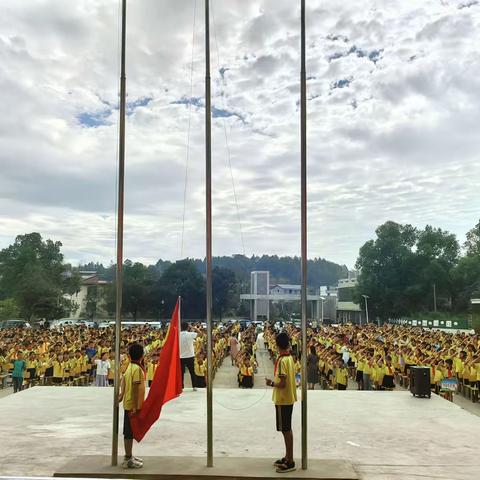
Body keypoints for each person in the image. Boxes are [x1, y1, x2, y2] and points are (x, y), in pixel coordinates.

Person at [265, 332, 297, 474]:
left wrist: (271, 383)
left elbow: (282, 383)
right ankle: (287, 456)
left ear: (278, 345)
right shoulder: (289, 358)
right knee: (286, 429)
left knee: (286, 429)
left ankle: (290, 461)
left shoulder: (283, 361)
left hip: (283, 398)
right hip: (288, 397)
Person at [119, 343, 145, 469]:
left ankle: (129, 455)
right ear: (142, 356)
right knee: (129, 433)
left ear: (129, 356)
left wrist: (121, 394)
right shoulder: (137, 369)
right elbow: (135, 388)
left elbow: (123, 379)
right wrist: (135, 407)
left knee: (129, 431)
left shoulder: (130, 366)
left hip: (128, 402)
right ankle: (128, 458)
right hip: (132, 405)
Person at [180, 322, 199, 391]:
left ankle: (181, 387)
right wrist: (194, 328)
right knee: (192, 372)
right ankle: (194, 386)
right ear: (188, 327)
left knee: (181, 373)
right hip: (190, 356)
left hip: (181, 356)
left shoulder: (177, 335)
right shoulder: (190, 334)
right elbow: (200, 334)